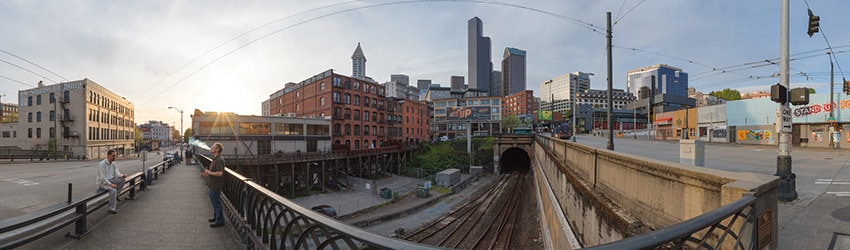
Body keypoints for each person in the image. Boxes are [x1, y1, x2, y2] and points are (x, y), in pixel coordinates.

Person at [201, 142, 226, 228]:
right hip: (212, 184)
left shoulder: (219, 160)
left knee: (217, 203)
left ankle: (219, 221)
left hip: (215, 185)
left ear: (217, 149)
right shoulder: (215, 159)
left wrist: (209, 172)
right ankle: (216, 217)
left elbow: (220, 173)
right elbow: (214, 172)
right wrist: (207, 174)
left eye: (213, 147)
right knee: (214, 202)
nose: (211, 148)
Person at [96, 149, 126, 214]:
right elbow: (102, 178)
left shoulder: (113, 163)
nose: (114, 157)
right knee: (113, 190)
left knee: (122, 180)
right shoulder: (102, 164)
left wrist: (122, 176)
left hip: (111, 179)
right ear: (108, 156)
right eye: (113, 156)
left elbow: (117, 172)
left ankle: (116, 196)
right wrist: (110, 184)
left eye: (115, 156)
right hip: (103, 183)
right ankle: (111, 208)